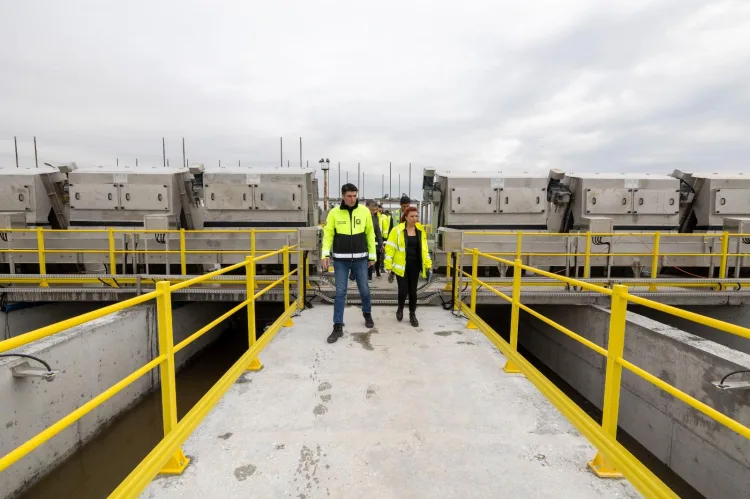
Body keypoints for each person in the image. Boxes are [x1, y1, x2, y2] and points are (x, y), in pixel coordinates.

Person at [321, 183, 377, 343]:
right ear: (343, 196)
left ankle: (367, 313)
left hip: (360, 259)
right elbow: (328, 235)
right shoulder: (334, 213)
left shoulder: (365, 211)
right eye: (349, 196)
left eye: (355, 195)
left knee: (365, 290)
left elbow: (370, 234)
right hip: (341, 260)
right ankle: (337, 326)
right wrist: (325, 254)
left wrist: (372, 256)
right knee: (340, 292)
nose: (352, 199)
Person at [385, 206, 432, 327]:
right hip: (401, 266)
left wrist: (428, 264)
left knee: (413, 292)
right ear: (405, 217)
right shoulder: (397, 230)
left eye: (416, 216)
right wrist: (388, 265)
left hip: (415, 265)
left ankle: (412, 314)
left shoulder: (420, 231)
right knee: (403, 291)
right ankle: (400, 308)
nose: (415, 218)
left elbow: (424, 249)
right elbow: (390, 248)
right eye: (412, 216)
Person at [366, 199, 383, 280]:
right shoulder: (360, 216)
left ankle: (369, 278)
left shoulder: (375, 218)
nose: (374, 211)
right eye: (372, 210)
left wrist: (381, 244)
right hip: (360, 244)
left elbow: (378, 231)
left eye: (375, 210)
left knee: (370, 260)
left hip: (371, 243)